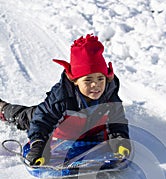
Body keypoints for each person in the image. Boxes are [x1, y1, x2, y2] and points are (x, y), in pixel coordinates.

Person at [0, 34, 131, 165]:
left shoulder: (109, 96)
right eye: (88, 80)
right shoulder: (61, 97)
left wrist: (120, 140)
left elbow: (117, 121)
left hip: (87, 131)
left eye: (100, 79)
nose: (95, 85)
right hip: (57, 126)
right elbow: (41, 122)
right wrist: (39, 146)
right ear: (75, 81)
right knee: (27, 117)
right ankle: (3, 108)